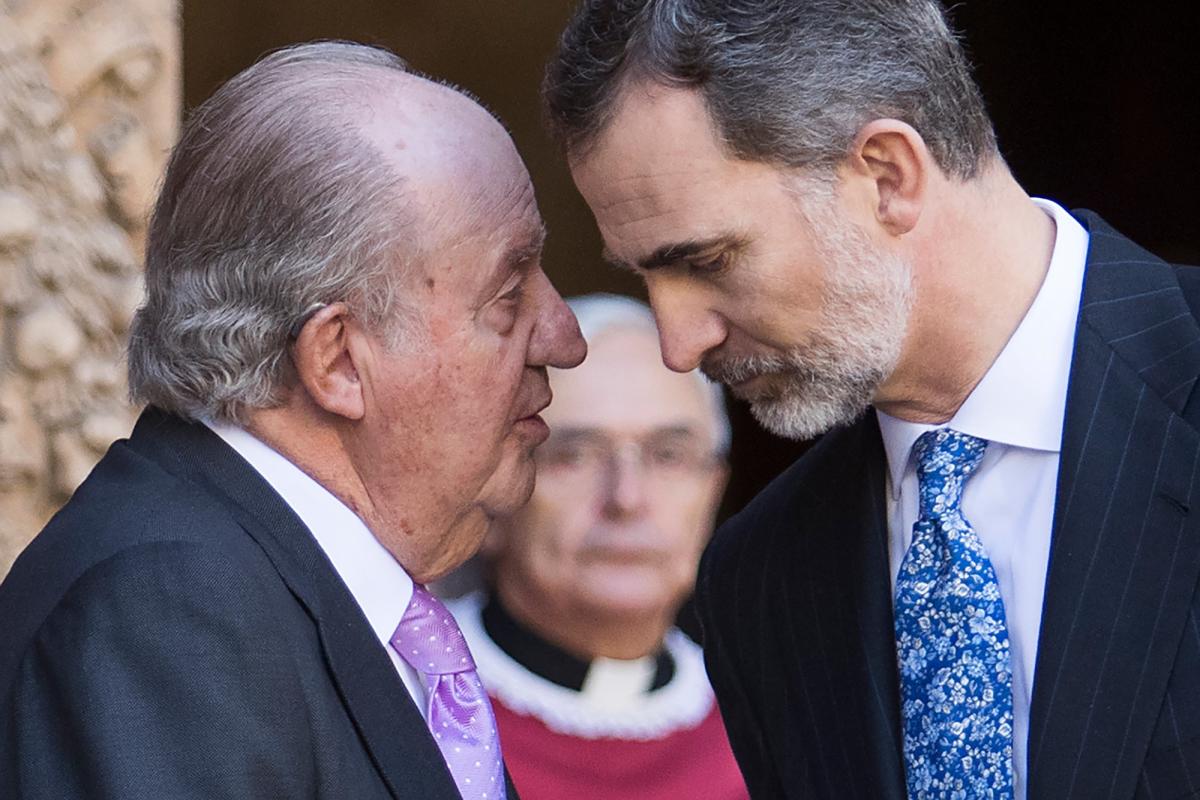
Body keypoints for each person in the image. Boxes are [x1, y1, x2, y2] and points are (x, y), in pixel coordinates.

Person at [543, 2, 1200, 799]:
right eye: (645, 276)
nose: (678, 345)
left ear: (888, 176)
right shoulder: (760, 579)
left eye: (707, 261)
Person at [0, 41, 585, 799]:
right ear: (338, 361)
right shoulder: (169, 611)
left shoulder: (251, 580)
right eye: (508, 298)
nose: (564, 337)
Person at [447, 294, 746, 800]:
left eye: (669, 455)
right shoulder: (413, 698)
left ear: (713, 492)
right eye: (574, 455)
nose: (626, 499)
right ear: (490, 494)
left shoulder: (764, 728)